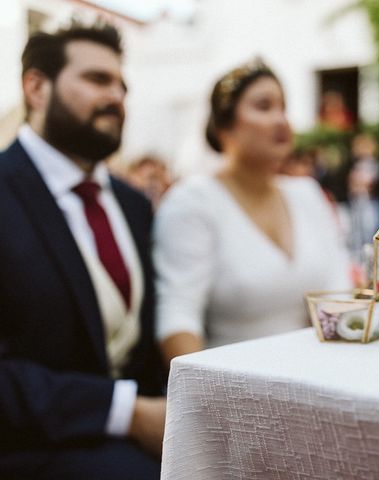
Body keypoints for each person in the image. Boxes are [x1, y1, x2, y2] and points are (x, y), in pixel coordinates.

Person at [0, 23, 165, 479]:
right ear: (36, 87)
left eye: (122, 85)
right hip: (28, 449)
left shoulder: (133, 205)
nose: (117, 97)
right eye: (97, 80)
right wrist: (128, 412)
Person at [154, 59, 351, 363]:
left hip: (319, 378)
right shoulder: (192, 202)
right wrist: (206, 401)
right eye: (264, 106)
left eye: (283, 107)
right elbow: (178, 315)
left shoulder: (307, 194)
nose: (281, 120)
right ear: (224, 126)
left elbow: (341, 295)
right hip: (233, 392)